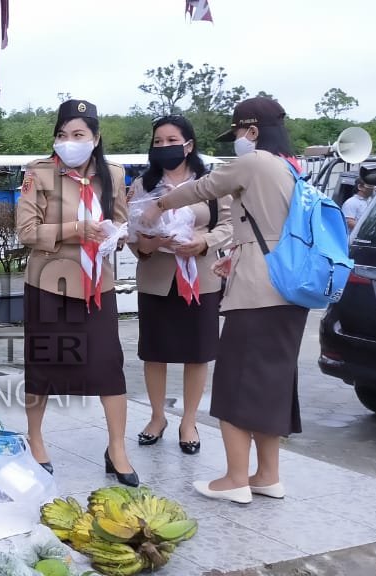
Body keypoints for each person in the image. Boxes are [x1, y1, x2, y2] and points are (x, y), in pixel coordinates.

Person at [142, 96, 307, 504]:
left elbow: (204, 187)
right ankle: (267, 475)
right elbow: (264, 229)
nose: (236, 140)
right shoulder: (292, 167)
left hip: (257, 293)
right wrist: (234, 256)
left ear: (251, 131)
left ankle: (235, 479)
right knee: (272, 383)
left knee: (235, 382)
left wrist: (157, 206)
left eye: (237, 132)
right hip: (289, 290)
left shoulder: (255, 162)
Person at [16, 99, 137, 486]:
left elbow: (120, 223)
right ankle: (35, 439)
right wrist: (74, 229)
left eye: (79, 135)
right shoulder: (40, 173)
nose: (69, 142)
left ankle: (116, 447)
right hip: (48, 283)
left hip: (95, 286)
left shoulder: (112, 175)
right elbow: (26, 232)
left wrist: (113, 237)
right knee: (43, 366)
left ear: (96, 138)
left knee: (107, 364)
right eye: (63, 135)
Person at [128, 115, 233, 455]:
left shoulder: (212, 182)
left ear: (188, 145)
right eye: (157, 142)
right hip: (158, 278)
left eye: (170, 140)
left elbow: (230, 225)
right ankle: (157, 417)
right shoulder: (144, 185)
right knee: (155, 352)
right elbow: (133, 232)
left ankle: (189, 421)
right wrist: (153, 243)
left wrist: (203, 243)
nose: (163, 147)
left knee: (197, 353)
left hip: (200, 278)